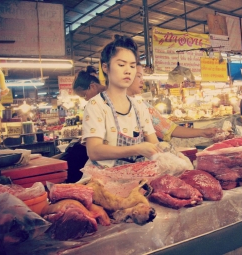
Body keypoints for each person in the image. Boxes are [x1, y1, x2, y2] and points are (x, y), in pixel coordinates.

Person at [82, 35, 161, 168]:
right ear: (105, 67)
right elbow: (94, 151)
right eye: (121, 64)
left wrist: (172, 153)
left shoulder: (139, 106)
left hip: (137, 180)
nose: (128, 71)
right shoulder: (96, 105)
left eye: (132, 66)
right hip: (104, 181)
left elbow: (154, 143)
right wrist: (137, 149)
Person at [127, 62, 218, 141]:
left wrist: (202, 132)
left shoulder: (143, 107)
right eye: (138, 76)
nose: (142, 81)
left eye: (143, 77)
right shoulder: (114, 106)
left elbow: (168, 129)